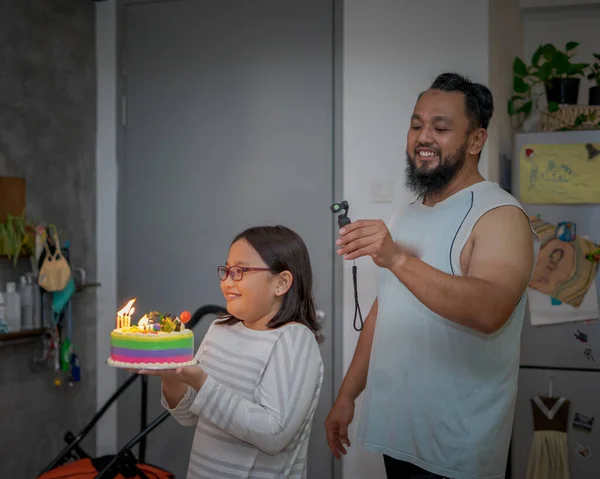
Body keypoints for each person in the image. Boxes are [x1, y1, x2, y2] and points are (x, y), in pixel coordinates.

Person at [325, 72, 540, 479]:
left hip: (459, 445)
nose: (424, 137)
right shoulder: (404, 215)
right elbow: (383, 312)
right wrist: (347, 395)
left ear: (476, 141)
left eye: (440, 128)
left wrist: (398, 259)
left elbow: (491, 309)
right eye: (416, 125)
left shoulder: (500, 215)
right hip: (399, 432)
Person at [137, 225, 324, 479]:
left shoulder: (294, 340)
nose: (226, 281)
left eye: (240, 271)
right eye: (226, 270)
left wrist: (200, 380)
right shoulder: (220, 329)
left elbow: (273, 434)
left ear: (281, 283)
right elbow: (188, 414)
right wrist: (171, 375)